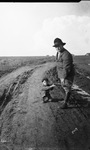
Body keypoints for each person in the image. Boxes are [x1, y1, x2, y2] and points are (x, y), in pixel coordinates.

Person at [53, 38, 75, 109]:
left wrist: (63, 77)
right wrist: (59, 75)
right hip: (61, 74)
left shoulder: (66, 54)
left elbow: (67, 68)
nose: (58, 48)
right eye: (56, 46)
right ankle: (67, 100)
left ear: (62, 45)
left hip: (67, 74)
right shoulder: (58, 53)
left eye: (59, 45)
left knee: (67, 88)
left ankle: (65, 104)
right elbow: (59, 65)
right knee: (64, 87)